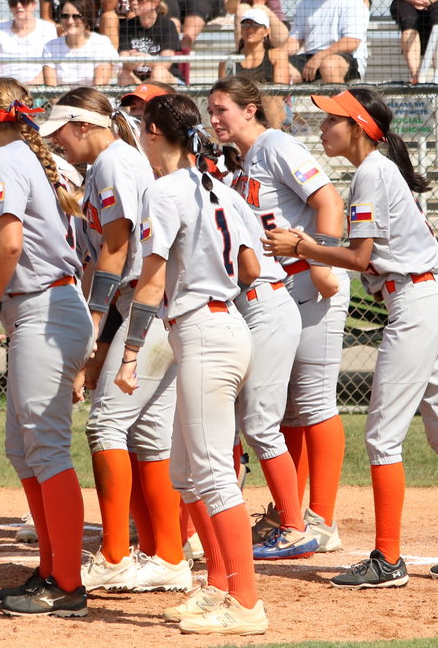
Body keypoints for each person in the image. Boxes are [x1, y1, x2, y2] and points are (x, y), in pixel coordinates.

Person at [263, 87, 438, 587]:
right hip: (429, 301)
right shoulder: (378, 171)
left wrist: (302, 245)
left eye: (331, 120)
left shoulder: (371, 172)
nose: (321, 127)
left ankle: (387, 560)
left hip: (415, 309)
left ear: (358, 126)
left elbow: (356, 259)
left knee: (381, 437)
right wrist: (312, 245)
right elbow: (361, 252)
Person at [112, 93, 264, 635]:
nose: (138, 138)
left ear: (155, 132)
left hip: (202, 330)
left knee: (212, 473)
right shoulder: (219, 188)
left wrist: (130, 354)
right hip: (222, 324)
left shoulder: (165, 189)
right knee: (187, 473)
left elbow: (151, 282)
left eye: (140, 130)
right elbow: (249, 267)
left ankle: (245, 601)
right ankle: (220, 586)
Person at [39, 87, 187, 594]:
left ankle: (116, 554)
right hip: (156, 306)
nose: (56, 144)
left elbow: (117, 247)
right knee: (147, 437)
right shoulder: (116, 161)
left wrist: (93, 323)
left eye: (60, 133)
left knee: (105, 428)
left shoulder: (111, 162)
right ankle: (166, 555)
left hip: (151, 306)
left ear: (83, 125)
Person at [208, 74, 349, 558]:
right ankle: (290, 511)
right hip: (281, 287)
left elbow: (328, 200)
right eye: (211, 110)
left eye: (222, 108)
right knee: (285, 408)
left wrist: (323, 262)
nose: (215, 118)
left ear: (250, 110)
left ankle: (322, 521)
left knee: (313, 404)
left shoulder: (274, 144)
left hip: (311, 280)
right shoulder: (244, 163)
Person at [0, 77, 92, 617]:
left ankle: (67, 584)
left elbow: (11, 243)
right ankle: (50, 567)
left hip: (42, 306)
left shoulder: (3, 159)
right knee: (24, 451)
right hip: (48, 306)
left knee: (44, 450)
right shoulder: (32, 155)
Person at [286, 0, 369, 83]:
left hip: (345, 59)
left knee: (328, 65)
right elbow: (295, 39)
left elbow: (351, 42)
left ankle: (340, 104)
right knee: (278, 66)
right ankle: (285, 103)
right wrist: (278, 53)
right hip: (311, 57)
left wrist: (320, 56)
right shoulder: (307, 1)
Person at [218, 8, 289, 129]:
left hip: (269, 108)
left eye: (256, 26)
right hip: (240, 107)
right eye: (245, 25)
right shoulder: (228, 60)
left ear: (266, 31)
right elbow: (224, 92)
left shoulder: (276, 55)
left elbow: (280, 92)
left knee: (271, 100)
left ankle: (272, 140)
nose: (250, 29)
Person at [42, 0, 119, 86]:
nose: (70, 21)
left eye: (76, 16)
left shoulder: (101, 43)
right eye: (65, 16)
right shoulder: (51, 46)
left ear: (87, 18)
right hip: (62, 100)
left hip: (93, 99)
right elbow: (51, 92)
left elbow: (99, 89)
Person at [0, 0, 57, 85]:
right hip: (5, 88)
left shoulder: (47, 28)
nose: (19, 6)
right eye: (13, 2)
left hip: (37, 88)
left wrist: (29, 86)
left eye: (24, 1)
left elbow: (52, 65)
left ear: (34, 4)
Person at [117, 0, 181, 84]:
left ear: (155, 3)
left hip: (167, 80)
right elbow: (124, 61)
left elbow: (165, 64)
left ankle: (155, 99)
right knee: (123, 73)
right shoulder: (126, 26)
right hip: (139, 81)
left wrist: (145, 58)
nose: (135, 2)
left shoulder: (167, 26)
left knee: (159, 71)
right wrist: (132, 61)